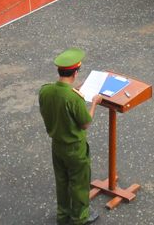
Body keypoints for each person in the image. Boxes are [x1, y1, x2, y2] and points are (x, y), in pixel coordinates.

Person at [39, 48, 101, 225]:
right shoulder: (74, 98)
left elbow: (56, 103)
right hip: (75, 148)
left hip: (57, 145)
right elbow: (85, 123)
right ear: (75, 72)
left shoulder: (45, 90)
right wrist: (94, 103)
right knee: (79, 183)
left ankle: (62, 214)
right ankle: (80, 217)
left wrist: (76, 91)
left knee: (62, 180)